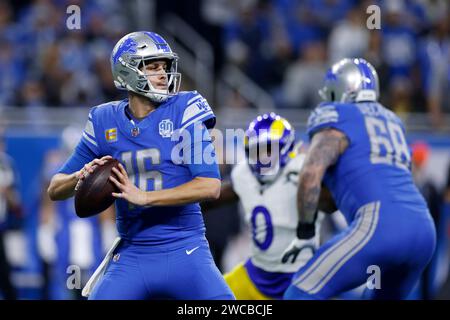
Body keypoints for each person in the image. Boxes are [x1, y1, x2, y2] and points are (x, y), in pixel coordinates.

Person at [47, 31, 234, 300]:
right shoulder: (104, 119)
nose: (162, 73)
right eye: (152, 66)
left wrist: (145, 197)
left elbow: (210, 186)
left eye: (165, 66)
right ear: (126, 71)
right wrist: (80, 175)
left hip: (185, 248)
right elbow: (55, 188)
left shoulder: (185, 108)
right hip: (132, 253)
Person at [282, 58, 437, 300]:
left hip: (381, 224)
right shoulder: (392, 121)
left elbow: (311, 174)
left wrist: (304, 232)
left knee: (300, 291)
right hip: (424, 229)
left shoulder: (337, 114)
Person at [203, 113, 333, 299]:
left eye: (268, 150)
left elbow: (332, 205)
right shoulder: (243, 174)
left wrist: (314, 180)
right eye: (257, 151)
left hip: (301, 274)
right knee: (210, 296)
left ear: (286, 147)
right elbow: (211, 198)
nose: (262, 158)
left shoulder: (303, 170)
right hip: (257, 273)